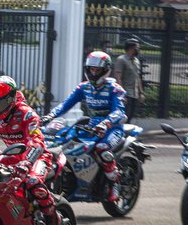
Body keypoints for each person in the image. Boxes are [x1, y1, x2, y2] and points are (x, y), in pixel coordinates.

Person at [0, 76, 62, 225]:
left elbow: (38, 142)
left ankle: (53, 219)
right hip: (12, 155)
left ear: (10, 99)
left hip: (37, 156)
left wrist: (27, 163)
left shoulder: (27, 114)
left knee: (33, 181)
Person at [41, 51, 126, 202]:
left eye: (97, 70)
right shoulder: (83, 88)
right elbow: (65, 105)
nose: (93, 72)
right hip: (91, 127)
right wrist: (50, 116)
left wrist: (106, 123)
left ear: (105, 70)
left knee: (102, 149)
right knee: (65, 141)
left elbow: (119, 111)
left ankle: (115, 184)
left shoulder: (115, 89)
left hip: (112, 129)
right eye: (91, 69)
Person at [114, 38, 145, 123]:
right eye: (137, 47)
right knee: (124, 117)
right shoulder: (121, 59)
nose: (138, 49)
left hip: (134, 94)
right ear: (131, 48)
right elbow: (118, 78)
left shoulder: (136, 61)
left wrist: (141, 92)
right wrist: (122, 94)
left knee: (130, 117)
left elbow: (138, 77)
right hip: (126, 94)